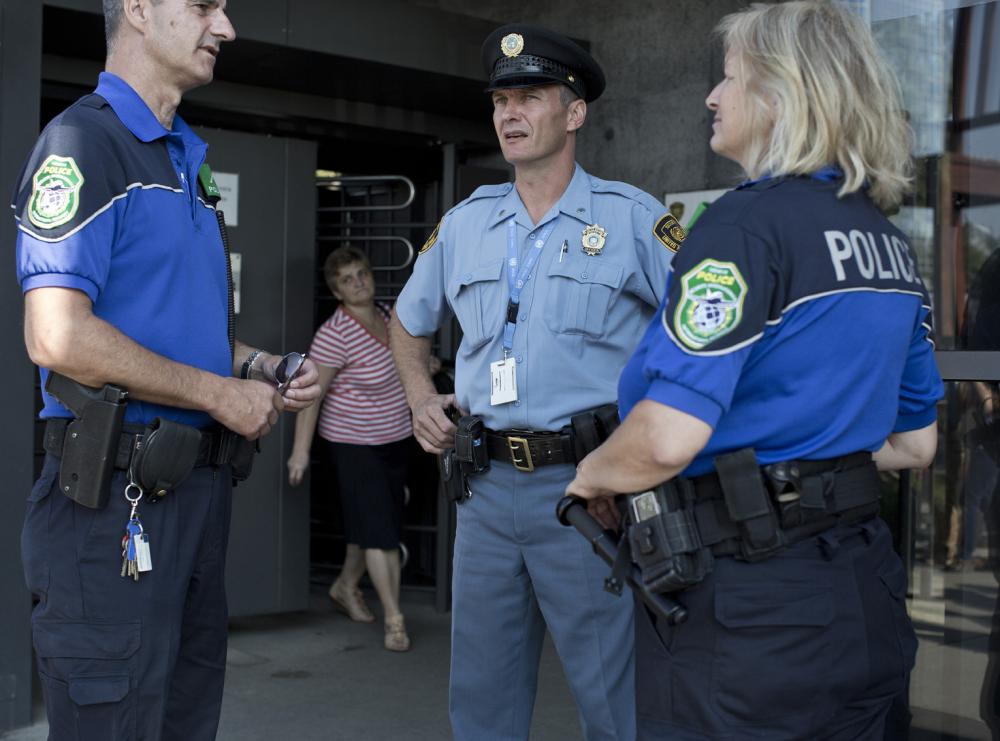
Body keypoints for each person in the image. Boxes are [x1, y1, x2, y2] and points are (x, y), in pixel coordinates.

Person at [564, 2, 944, 739]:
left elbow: (666, 439)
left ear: (778, 94)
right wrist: (809, 467)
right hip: (863, 594)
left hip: (750, 617)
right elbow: (915, 445)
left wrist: (592, 474)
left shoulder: (741, 229)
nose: (712, 96)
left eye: (729, 78)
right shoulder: (889, 244)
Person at [12, 1, 322, 739]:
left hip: (194, 504)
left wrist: (262, 364)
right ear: (142, 10)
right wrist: (221, 393)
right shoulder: (83, 142)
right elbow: (56, 335)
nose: (227, 27)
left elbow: (179, 327)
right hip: (111, 511)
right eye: (204, 6)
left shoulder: (186, 158)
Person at [390, 22, 676, 740]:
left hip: (587, 493)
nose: (509, 114)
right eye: (500, 100)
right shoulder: (465, 224)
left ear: (574, 112)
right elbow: (405, 321)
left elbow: (702, 338)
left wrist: (641, 456)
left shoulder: (633, 219)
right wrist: (421, 397)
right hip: (484, 491)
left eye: (530, 96)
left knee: (615, 702)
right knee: (481, 703)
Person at [288, 246, 427, 652]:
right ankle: (395, 619)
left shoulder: (388, 315)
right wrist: (300, 452)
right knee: (381, 533)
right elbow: (312, 396)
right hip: (354, 444)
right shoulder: (334, 333)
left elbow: (401, 364)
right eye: (348, 279)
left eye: (362, 273)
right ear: (337, 291)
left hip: (395, 438)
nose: (359, 282)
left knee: (373, 522)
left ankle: (346, 585)